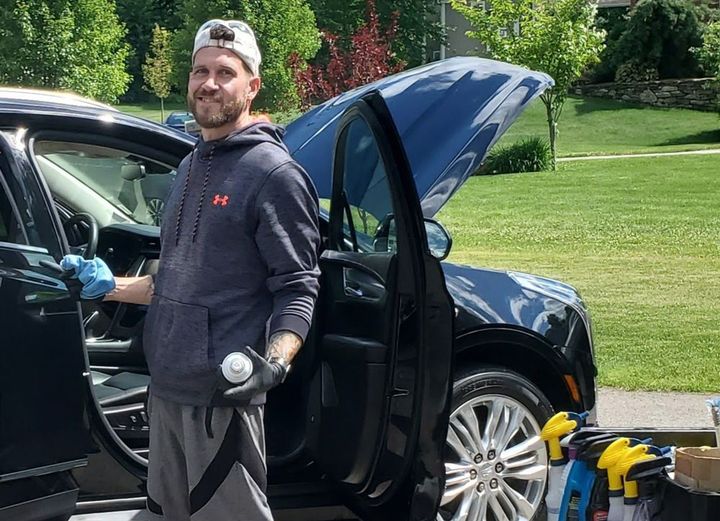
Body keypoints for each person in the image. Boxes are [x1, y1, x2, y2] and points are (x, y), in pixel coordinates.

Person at [62, 19, 321, 521]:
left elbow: (297, 289)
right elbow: (176, 282)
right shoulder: (189, 166)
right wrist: (106, 284)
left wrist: (276, 362)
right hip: (168, 387)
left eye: (226, 72)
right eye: (201, 70)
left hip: (222, 398)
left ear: (252, 85)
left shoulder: (274, 175)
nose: (209, 83)